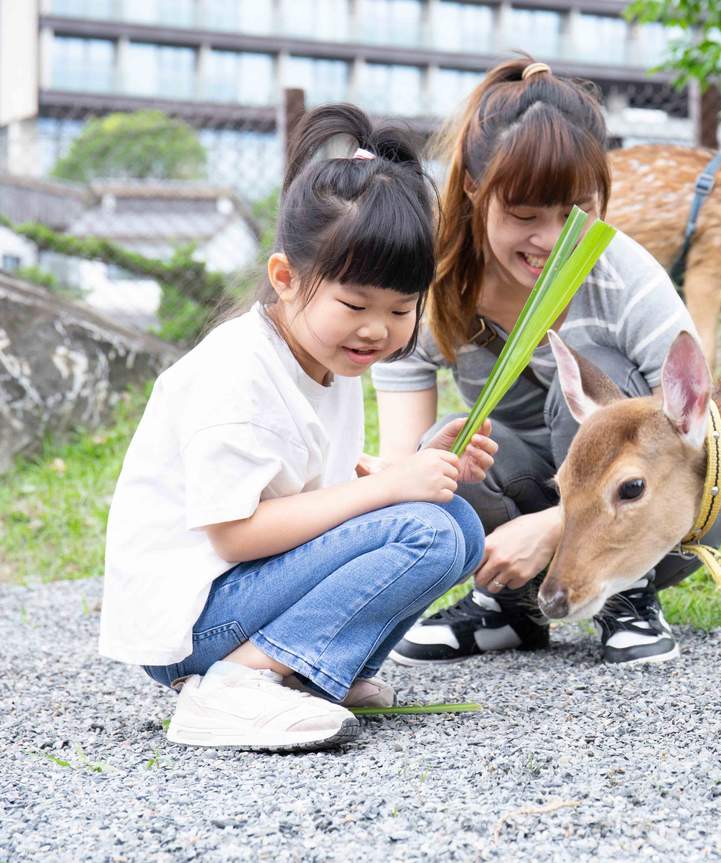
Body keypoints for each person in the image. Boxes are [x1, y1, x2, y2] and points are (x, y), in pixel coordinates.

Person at [98, 104, 497, 751]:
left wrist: (413, 465)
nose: (377, 328)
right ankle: (236, 684)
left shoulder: (327, 358)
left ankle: (315, 672)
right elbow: (233, 534)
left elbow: (316, 487)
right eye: (354, 303)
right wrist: (387, 490)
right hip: (193, 619)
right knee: (423, 530)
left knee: (457, 524)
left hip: (240, 594)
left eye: (400, 308)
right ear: (285, 278)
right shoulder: (237, 370)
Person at [375, 57, 721, 668]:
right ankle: (509, 606)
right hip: (522, 488)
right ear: (473, 192)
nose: (550, 240)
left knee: (590, 366)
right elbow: (404, 466)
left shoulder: (626, 280)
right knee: (444, 448)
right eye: (523, 216)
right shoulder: (432, 287)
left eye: (573, 212)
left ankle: (629, 598)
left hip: (645, 512)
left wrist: (552, 528)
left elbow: (711, 444)